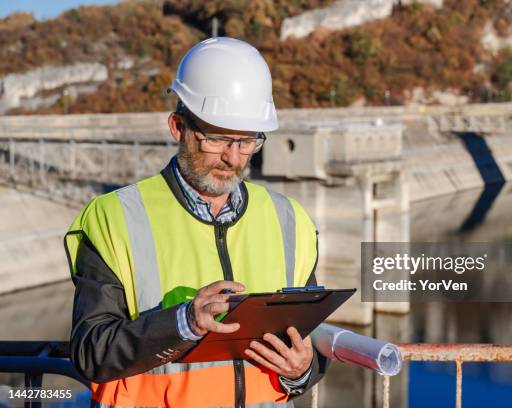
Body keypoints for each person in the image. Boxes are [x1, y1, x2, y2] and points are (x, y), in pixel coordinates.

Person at [65, 37, 328, 408]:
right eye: (217, 138)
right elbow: (92, 352)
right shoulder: (115, 219)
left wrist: (301, 370)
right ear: (178, 126)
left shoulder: (290, 221)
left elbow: (310, 345)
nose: (233, 157)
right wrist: (182, 323)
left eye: (247, 141)